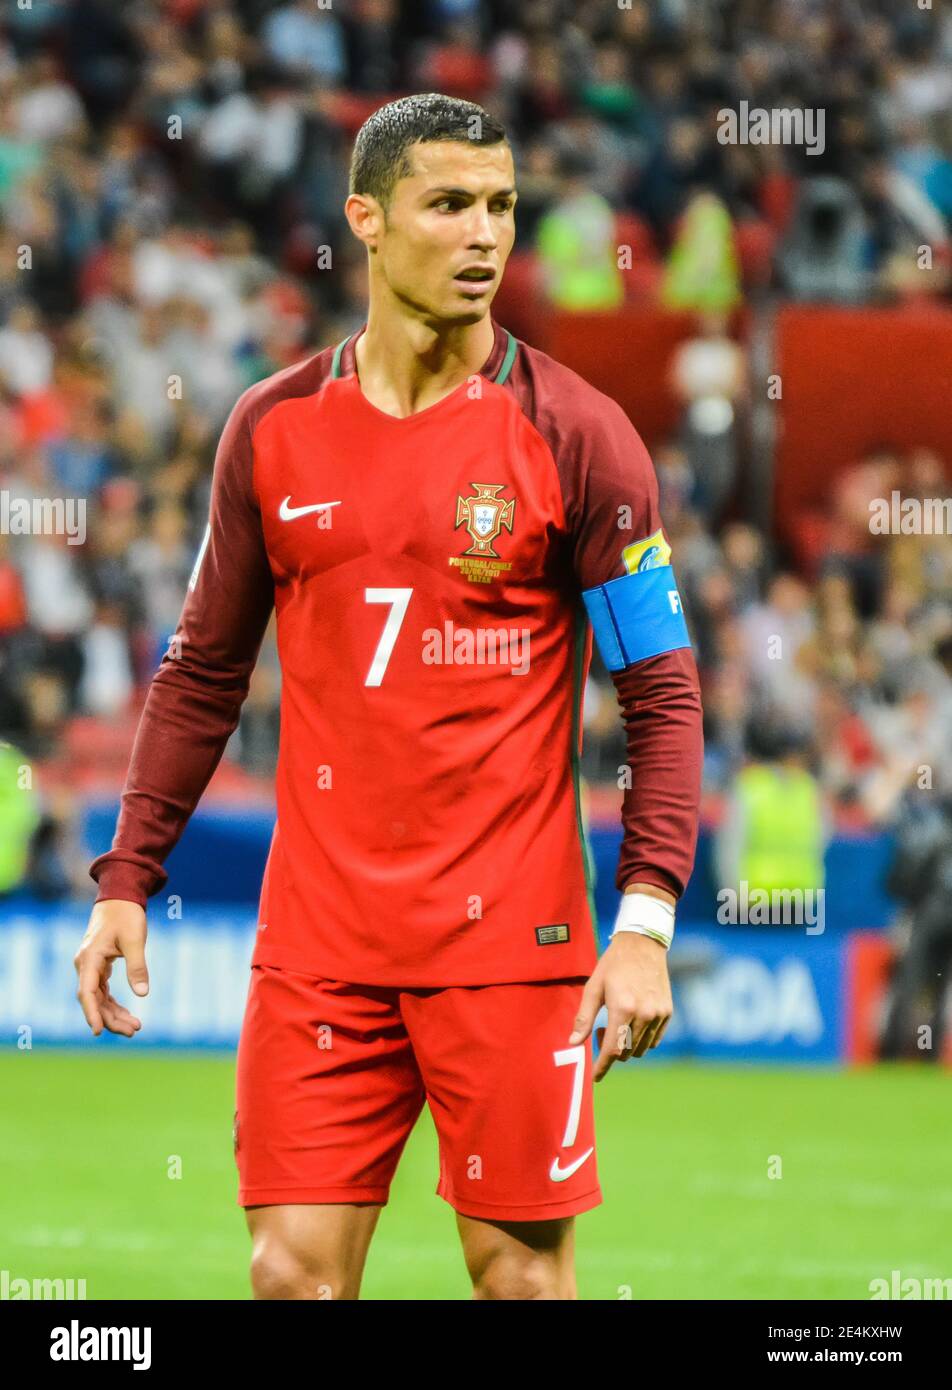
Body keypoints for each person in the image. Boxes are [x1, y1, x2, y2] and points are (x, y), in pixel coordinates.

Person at [75, 93, 703, 1301]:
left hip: (514, 945)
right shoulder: (270, 430)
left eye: (503, 207)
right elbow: (201, 671)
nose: (484, 235)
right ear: (366, 217)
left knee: (522, 1282)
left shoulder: (580, 436)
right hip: (322, 941)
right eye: (450, 204)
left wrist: (645, 922)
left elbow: (662, 695)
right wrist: (126, 877)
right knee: (289, 1276)